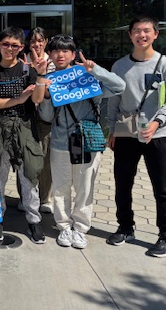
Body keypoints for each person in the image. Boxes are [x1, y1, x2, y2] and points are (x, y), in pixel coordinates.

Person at [34, 35, 125, 249]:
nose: (60, 55)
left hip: (86, 140)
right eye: (56, 51)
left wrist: (96, 70)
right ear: (50, 55)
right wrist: (46, 95)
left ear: (73, 54)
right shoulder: (50, 79)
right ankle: (64, 226)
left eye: (65, 51)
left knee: (85, 187)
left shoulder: (88, 76)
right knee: (61, 187)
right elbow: (46, 117)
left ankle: (81, 228)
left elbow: (120, 86)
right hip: (60, 142)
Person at [107, 16, 166, 257]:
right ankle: (125, 227)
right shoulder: (119, 66)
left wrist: (157, 122)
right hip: (126, 133)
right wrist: (112, 130)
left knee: (163, 187)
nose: (142, 35)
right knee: (122, 183)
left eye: (147, 30)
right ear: (130, 35)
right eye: (137, 31)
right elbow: (113, 101)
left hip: (158, 135)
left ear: (156, 34)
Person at [0, 27, 45, 244]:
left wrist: (41, 75)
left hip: (25, 128)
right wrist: (18, 100)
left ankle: (34, 221)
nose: (10, 48)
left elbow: (37, 99)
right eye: (6, 44)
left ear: (21, 47)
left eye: (15, 45)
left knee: (29, 177)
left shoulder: (29, 71)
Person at [18, 27, 55, 214]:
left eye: (40, 40)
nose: (37, 44)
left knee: (46, 160)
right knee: (24, 159)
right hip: (25, 116)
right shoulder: (22, 62)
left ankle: (45, 198)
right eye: (33, 41)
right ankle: (25, 197)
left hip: (46, 119)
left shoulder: (53, 62)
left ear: (46, 42)